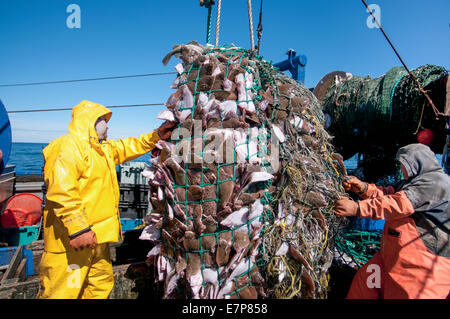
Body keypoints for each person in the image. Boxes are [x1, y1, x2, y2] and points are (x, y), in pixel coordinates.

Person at [37, 100, 176, 299]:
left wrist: (156, 135)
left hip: (97, 240)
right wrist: (78, 229)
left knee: (99, 287)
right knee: (63, 291)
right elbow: (61, 192)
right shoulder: (67, 147)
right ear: (90, 121)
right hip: (71, 242)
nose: (108, 125)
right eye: (103, 119)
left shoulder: (103, 150)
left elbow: (129, 146)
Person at [333, 143, 450, 299]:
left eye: (404, 165)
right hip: (391, 256)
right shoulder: (413, 182)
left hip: (420, 265)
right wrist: (363, 188)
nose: (401, 170)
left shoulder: (437, 183)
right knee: (364, 284)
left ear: (416, 163)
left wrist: (357, 209)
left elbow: (398, 204)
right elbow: (389, 195)